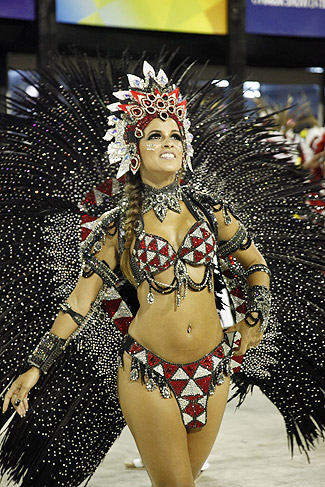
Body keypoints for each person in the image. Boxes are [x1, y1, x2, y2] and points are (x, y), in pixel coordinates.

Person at [0, 57, 323, 487]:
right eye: (155, 135)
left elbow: (256, 265)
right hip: (148, 372)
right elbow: (80, 302)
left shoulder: (211, 211)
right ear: (134, 150)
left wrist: (256, 317)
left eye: (175, 135)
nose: (168, 143)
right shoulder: (114, 227)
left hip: (215, 369)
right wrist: (35, 367)